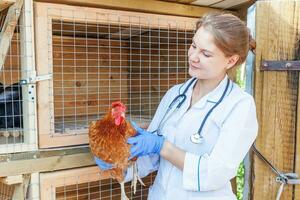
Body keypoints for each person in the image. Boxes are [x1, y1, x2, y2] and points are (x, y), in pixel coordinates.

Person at [95, 12, 258, 200]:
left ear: (231, 60)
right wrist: (119, 162)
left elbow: (215, 173)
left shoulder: (239, 105)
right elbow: (152, 156)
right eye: (193, 45)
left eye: (205, 54)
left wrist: (161, 145)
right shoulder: (175, 94)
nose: (193, 57)